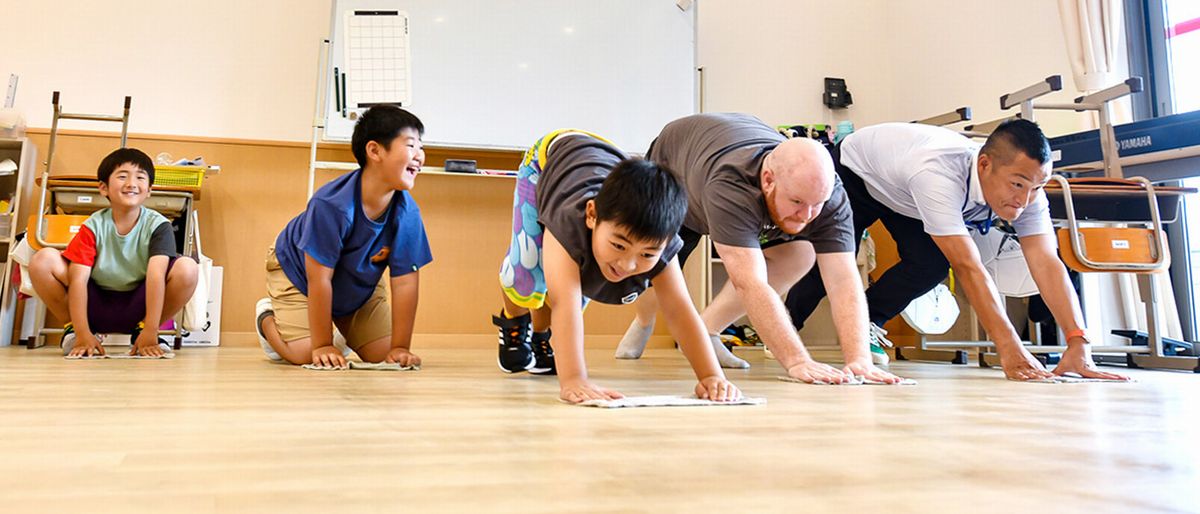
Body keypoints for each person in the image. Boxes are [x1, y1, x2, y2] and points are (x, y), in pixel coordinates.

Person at [784, 119, 1128, 381]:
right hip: (856, 171)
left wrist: (1078, 341)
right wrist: (1008, 347)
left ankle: (868, 320)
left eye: (1036, 187)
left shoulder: (1028, 192)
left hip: (904, 195)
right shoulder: (938, 173)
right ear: (984, 166)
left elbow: (1046, 260)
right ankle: (784, 327)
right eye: (1017, 185)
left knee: (930, 265)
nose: (1024, 200)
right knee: (828, 259)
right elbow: (968, 266)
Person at [619, 113, 902, 384]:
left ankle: (706, 331)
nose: (807, 216)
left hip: (723, 156)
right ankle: (643, 322)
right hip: (678, 166)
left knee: (800, 254)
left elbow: (843, 277)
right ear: (768, 180)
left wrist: (859, 358)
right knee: (654, 268)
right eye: (796, 203)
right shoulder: (732, 184)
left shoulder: (827, 196)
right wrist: (797, 361)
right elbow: (749, 283)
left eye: (817, 205)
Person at [493, 129, 742, 403]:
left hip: (601, 158)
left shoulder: (662, 245)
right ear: (591, 215)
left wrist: (711, 376)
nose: (628, 264)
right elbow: (566, 301)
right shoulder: (569, 221)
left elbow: (680, 310)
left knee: (573, 282)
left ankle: (542, 337)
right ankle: (513, 322)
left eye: (647, 254)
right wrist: (575, 379)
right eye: (619, 246)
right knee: (528, 271)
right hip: (546, 161)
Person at [255, 105, 430, 369]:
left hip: (356, 281)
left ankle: (341, 329)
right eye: (410, 145)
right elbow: (319, 278)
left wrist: (400, 348)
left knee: (383, 356)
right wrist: (323, 344)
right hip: (298, 271)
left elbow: (405, 283)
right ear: (374, 151)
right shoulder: (332, 205)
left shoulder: (408, 213)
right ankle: (267, 318)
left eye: (421, 146)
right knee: (307, 353)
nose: (420, 156)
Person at [29, 147, 199, 357]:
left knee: (188, 268)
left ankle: (143, 332)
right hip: (95, 303)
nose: (131, 183)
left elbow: (156, 276)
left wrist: (150, 330)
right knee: (42, 259)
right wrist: (82, 333)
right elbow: (78, 280)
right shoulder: (93, 225)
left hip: (139, 305)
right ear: (103, 188)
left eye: (140, 177)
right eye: (122, 176)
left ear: (149, 190)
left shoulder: (159, 226)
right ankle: (74, 329)